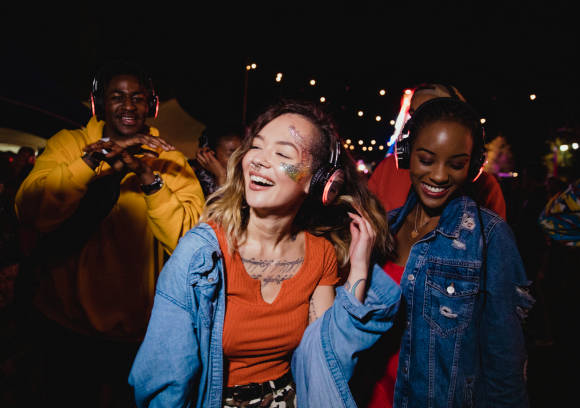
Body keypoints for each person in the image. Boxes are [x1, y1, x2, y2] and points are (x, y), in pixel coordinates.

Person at [128, 99, 402, 407]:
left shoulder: (320, 253)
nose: (258, 160)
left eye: (283, 154)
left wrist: (360, 270)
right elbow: (164, 378)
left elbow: (326, 357)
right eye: (256, 147)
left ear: (321, 183)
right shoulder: (201, 253)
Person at [13, 60, 205, 407]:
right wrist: (90, 163)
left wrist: (149, 179)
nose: (129, 106)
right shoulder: (68, 144)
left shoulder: (170, 159)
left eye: (138, 98)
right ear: (99, 103)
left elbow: (189, 241)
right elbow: (30, 209)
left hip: (138, 331)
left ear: (152, 105)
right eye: (117, 97)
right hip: (64, 320)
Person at [353, 97, 534, 407]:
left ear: (474, 167)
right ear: (406, 155)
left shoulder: (489, 238)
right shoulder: (385, 228)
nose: (438, 175)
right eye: (426, 159)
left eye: (456, 164)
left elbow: (505, 365)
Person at [367, 83, 507, 220]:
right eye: (414, 115)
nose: (419, 124)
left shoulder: (487, 187)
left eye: (432, 114)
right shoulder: (386, 168)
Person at [188, 122, 244, 198]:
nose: (240, 159)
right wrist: (221, 176)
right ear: (210, 155)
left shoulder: (244, 179)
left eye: (242, 153)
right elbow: (221, 208)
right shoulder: (191, 177)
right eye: (232, 155)